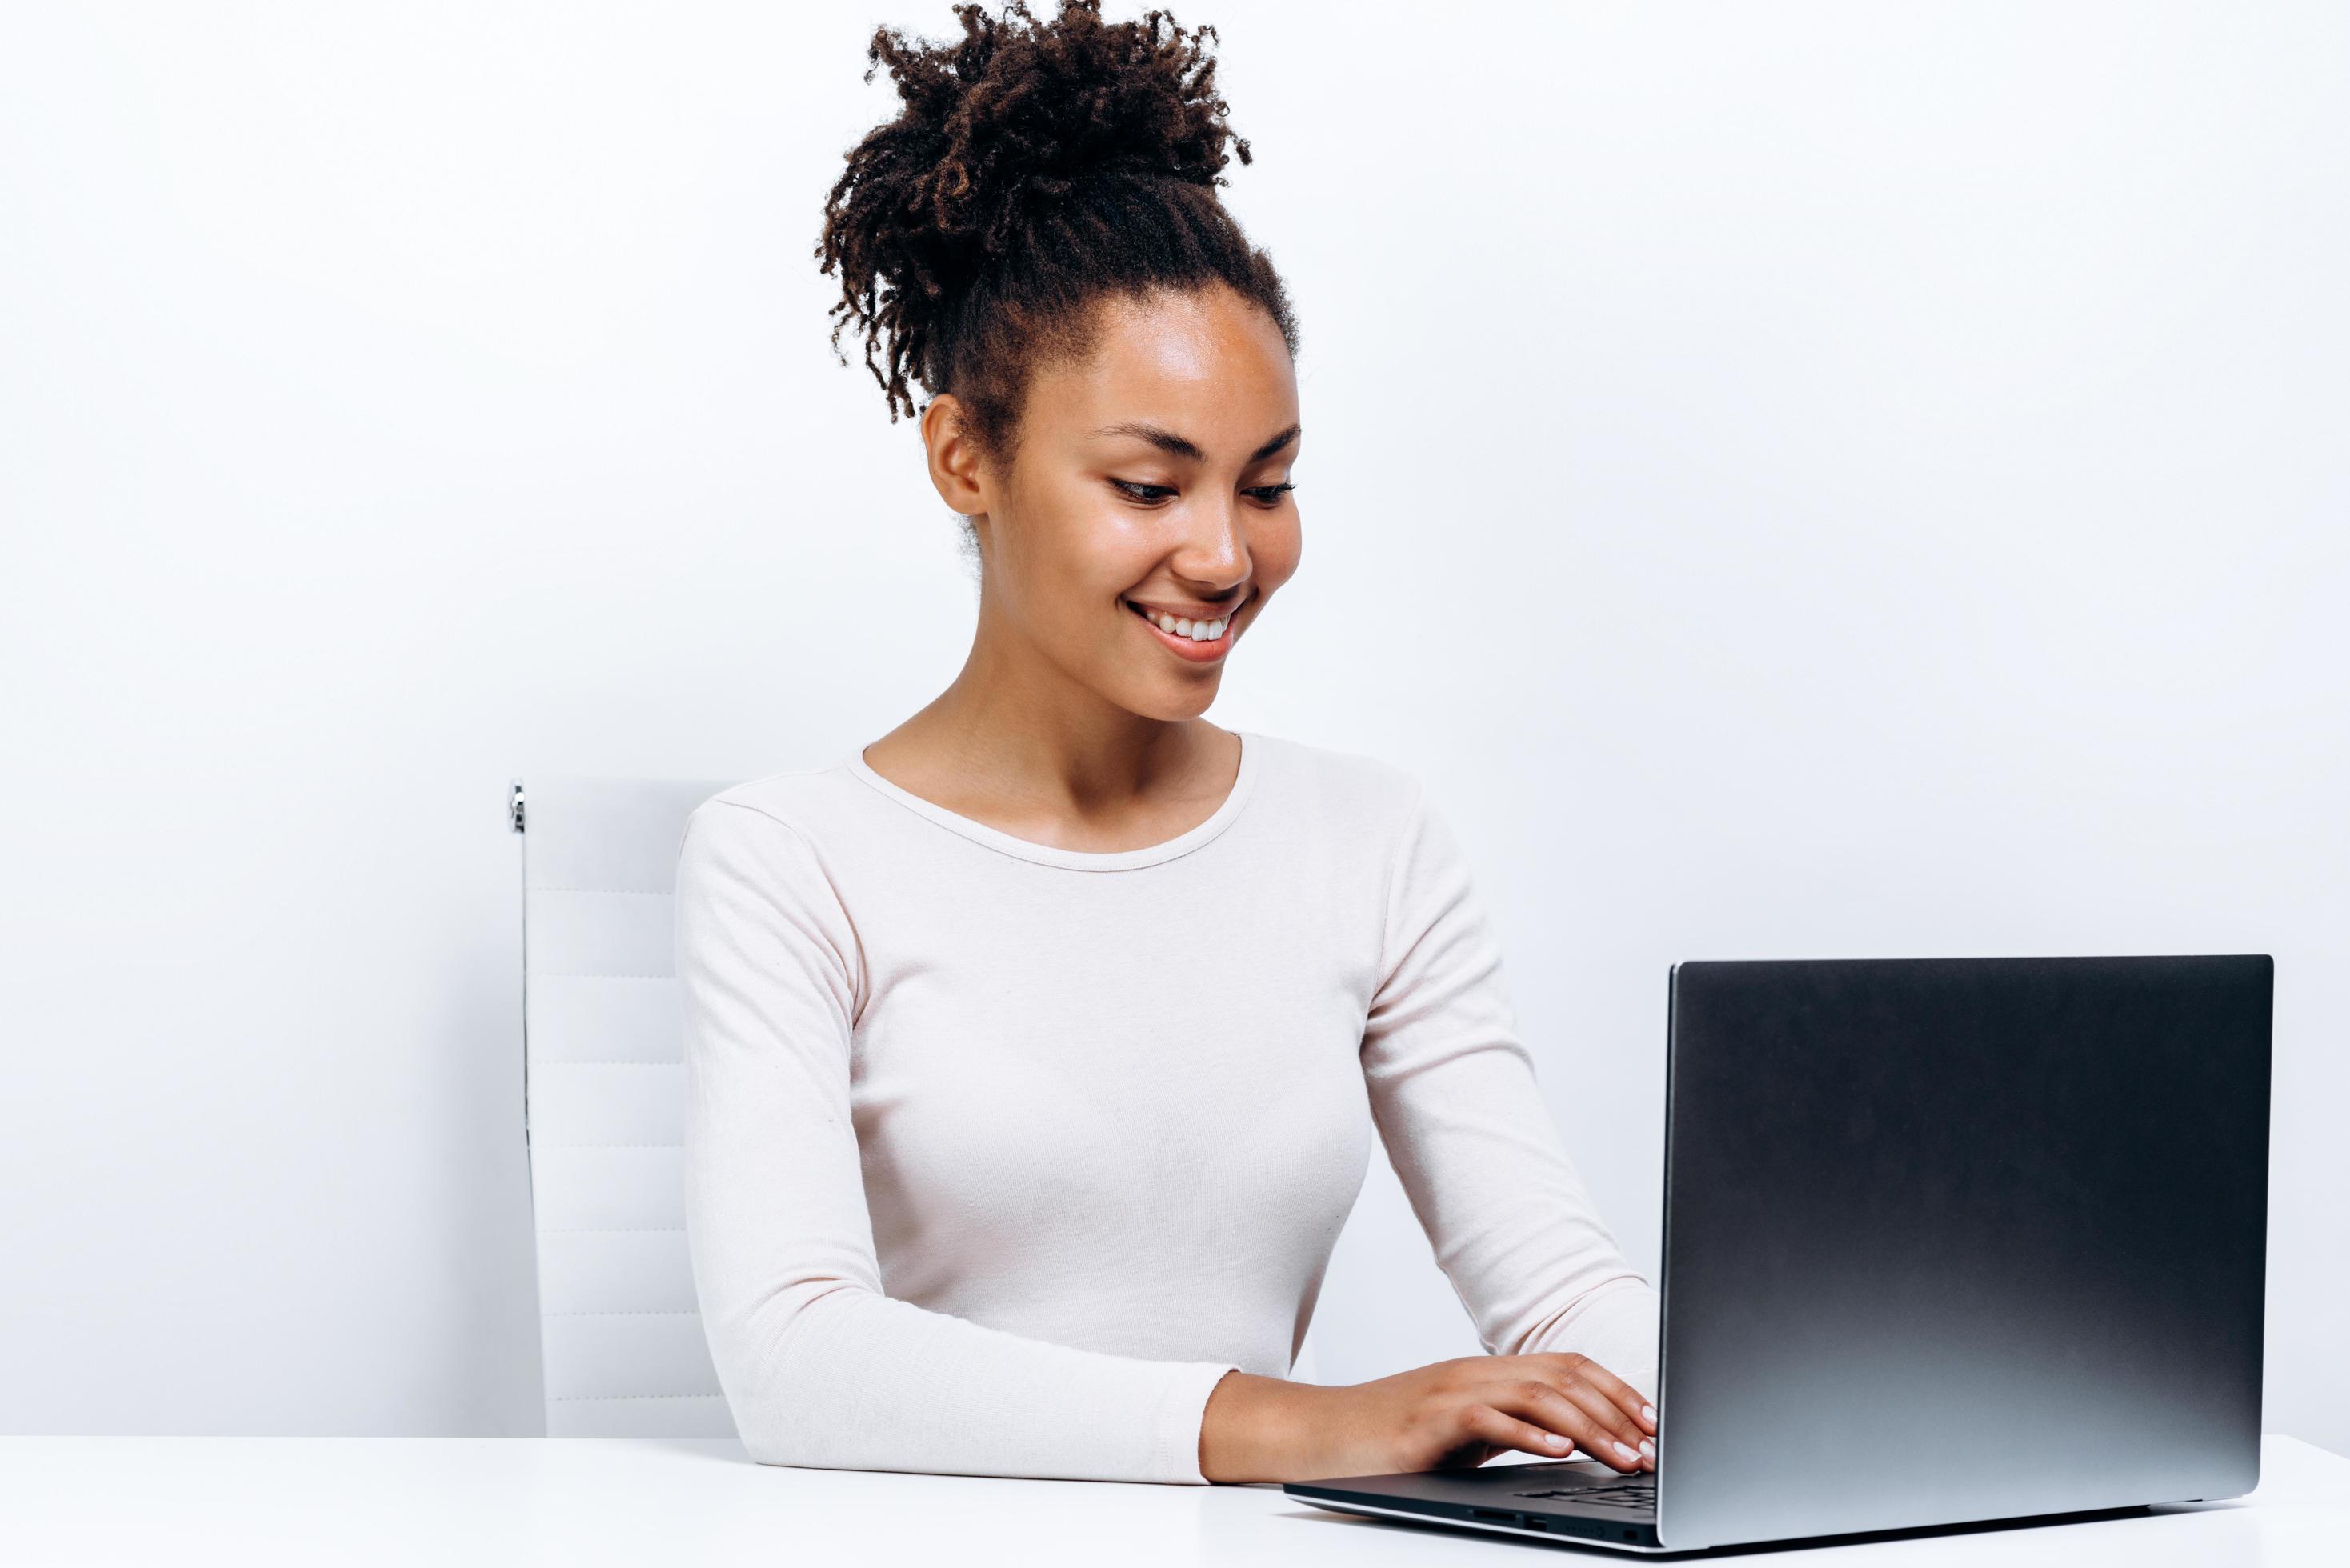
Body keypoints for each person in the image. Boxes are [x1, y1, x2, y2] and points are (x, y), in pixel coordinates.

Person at [673, 0, 1659, 1486]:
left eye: (1266, 485)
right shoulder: (792, 858)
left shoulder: (1367, 841)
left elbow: (1560, 1292)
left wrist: (1741, 1406)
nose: (1221, 556)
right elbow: (796, 1357)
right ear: (965, 460)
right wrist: (1306, 1426)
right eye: (1148, 486)